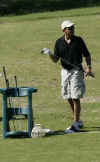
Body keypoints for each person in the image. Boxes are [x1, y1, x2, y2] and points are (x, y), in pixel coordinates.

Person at [41, 20, 93, 133]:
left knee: (75, 97)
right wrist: (49, 53)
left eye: (73, 28)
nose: (72, 29)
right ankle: (78, 121)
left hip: (76, 71)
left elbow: (87, 54)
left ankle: (75, 123)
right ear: (64, 30)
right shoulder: (59, 42)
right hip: (65, 72)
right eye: (70, 28)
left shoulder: (79, 40)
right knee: (68, 96)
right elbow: (55, 60)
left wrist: (89, 67)